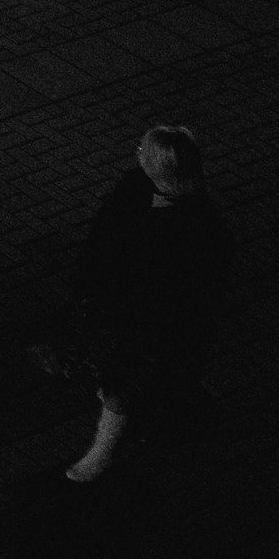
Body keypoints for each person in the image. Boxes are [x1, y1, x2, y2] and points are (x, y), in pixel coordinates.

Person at [48, 126, 233, 483]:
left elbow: (186, 298)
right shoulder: (136, 186)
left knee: (122, 386)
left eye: (143, 151)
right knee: (124, 381)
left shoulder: (199, 231)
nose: (136, 153)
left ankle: (102, 454)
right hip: (118, 310)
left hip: (150, 325)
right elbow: (101, 239)